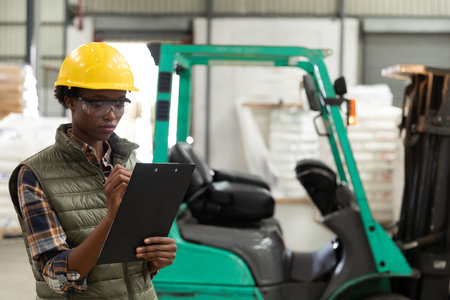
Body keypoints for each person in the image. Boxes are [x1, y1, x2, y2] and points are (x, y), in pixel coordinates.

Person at [9, 42, 176, 299]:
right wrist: (110, 219)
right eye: (98, 104)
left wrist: (155, 259)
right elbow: (55, 276)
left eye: (120, 103)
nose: (111, 115)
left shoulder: (130, 161)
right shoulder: (34, 175)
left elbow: (136, 263)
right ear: (69, 101)